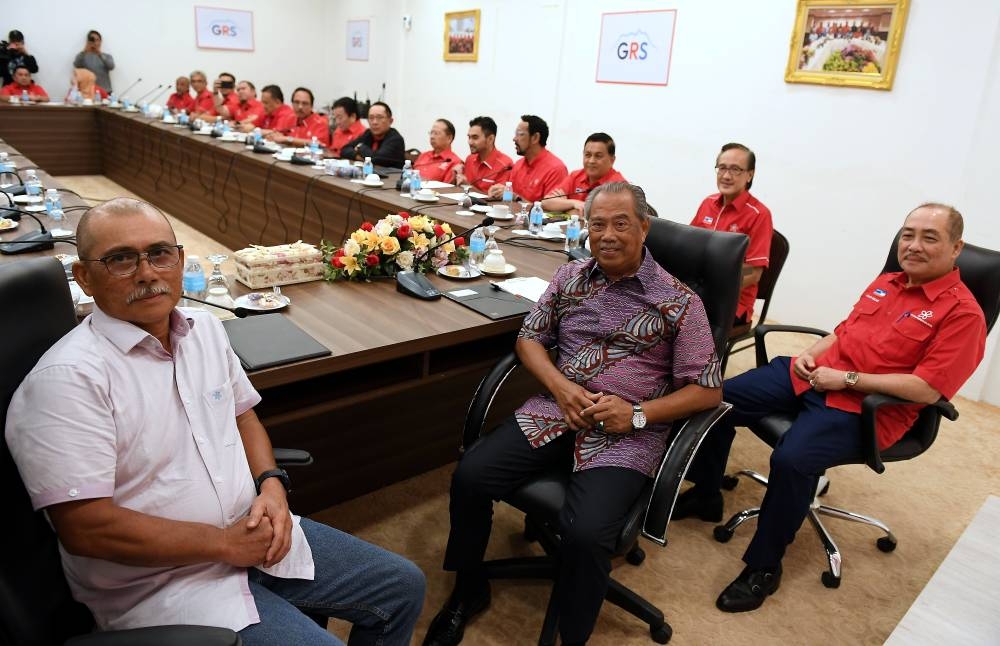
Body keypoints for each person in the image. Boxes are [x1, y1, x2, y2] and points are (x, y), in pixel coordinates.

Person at [5, 198, 426, 645]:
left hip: (254, 533)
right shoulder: (66, 381)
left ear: (181, 260)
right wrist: (223, 544)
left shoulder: (204, 329)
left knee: (401, 586)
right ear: (85, 278)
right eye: (121, 259)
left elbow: (243, 415)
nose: (147, 273)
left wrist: (272, 485)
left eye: (159, 253)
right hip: (162, 585)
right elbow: (86, 528)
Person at [422, 182, 722, 646]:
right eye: (597, 224)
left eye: (621, 223)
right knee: (471, 476)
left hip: (625, 433)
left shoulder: (681, 301)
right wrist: (561, 389)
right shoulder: (570, 278)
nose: (607, 235)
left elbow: (706, 391)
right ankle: (469, 587)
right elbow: (528, 340)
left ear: (644, 228)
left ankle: (571, 638)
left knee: (585, 535)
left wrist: (637, 413)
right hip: (554, 410)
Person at [678, 203, 988, 613]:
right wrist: (809, 355)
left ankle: (763, 567)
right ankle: (705, 494)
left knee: (792, 458)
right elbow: (843, 334)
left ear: (955, 248)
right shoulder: (888, 282)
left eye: (929, 237)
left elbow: (927, 389)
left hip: (866, 407)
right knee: (714, 398)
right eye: (908, 234)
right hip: (816, 376)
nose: (913, 245)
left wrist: (847, 380)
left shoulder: (964, 315)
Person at [690, 143, 773, 327]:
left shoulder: (759, 214)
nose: (726, 176)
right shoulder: (708, 203)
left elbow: (754, 272)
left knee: (679, 322)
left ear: (750, 174)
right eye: (722, 168)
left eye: (735, 169)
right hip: (695, 295)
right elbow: (688, 250)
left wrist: (711, 287)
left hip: (732, 305)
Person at [488, 115, 567, 203]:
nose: (514, 139)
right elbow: (510, 198)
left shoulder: (556, 169)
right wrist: (498, 192)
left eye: (520, 134)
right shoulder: (518, 165)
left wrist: (515, 197)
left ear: (535, 138)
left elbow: (549, 211)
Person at [541, 132, 627, 215]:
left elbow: (596, 217)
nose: (591, 161)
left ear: (612, 160)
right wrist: (573, 203)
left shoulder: (619, 186)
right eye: (588, 155)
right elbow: (546, 202)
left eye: (598, 156)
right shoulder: (576, 176)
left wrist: (563, 207)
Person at [453, 116, 512, 194]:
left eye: (475, 138)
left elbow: (498, 199)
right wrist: (456, 176)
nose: (470, 142)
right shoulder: (470, 159)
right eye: (469, 137)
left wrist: (467, 186)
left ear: (490, 139)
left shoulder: (505, 165)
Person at [340, 101, 405, 168]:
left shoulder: (396, 139)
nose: (374, 122)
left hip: (392, 177)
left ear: (390, 121)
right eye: (371, 118)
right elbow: (344, 150)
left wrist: (360, 147)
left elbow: (376, 159)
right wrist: (362, 157)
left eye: (379, 117)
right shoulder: (368, 133)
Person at [412, 119, 461, 183]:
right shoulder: (423, 155)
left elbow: (447, 189)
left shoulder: (455, 162)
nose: (432, 136)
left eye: (436, 133)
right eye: (431, 133)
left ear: (449, 138)